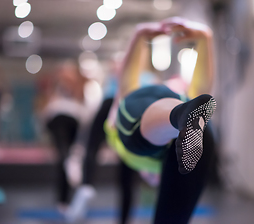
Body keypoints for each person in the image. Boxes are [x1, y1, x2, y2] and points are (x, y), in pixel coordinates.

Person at [69, 17, 217, 224]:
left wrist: (139, 37)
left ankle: (180, 114)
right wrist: (204, 38)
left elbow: (126, 86)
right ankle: (180, 114)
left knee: (144, 130)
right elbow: (201, 90)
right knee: (173, 209)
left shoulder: (126, 119)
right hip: (175, 114)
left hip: (144, 114)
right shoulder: (175, 157)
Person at [38, 61, 89, 211]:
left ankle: (65, 199)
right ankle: (62, 199)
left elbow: (82, 102)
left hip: (72, 119)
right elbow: (46, 102)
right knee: (63, 156)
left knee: (65, 158)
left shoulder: (78, 88)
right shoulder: (55, 87)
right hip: (57, 118)